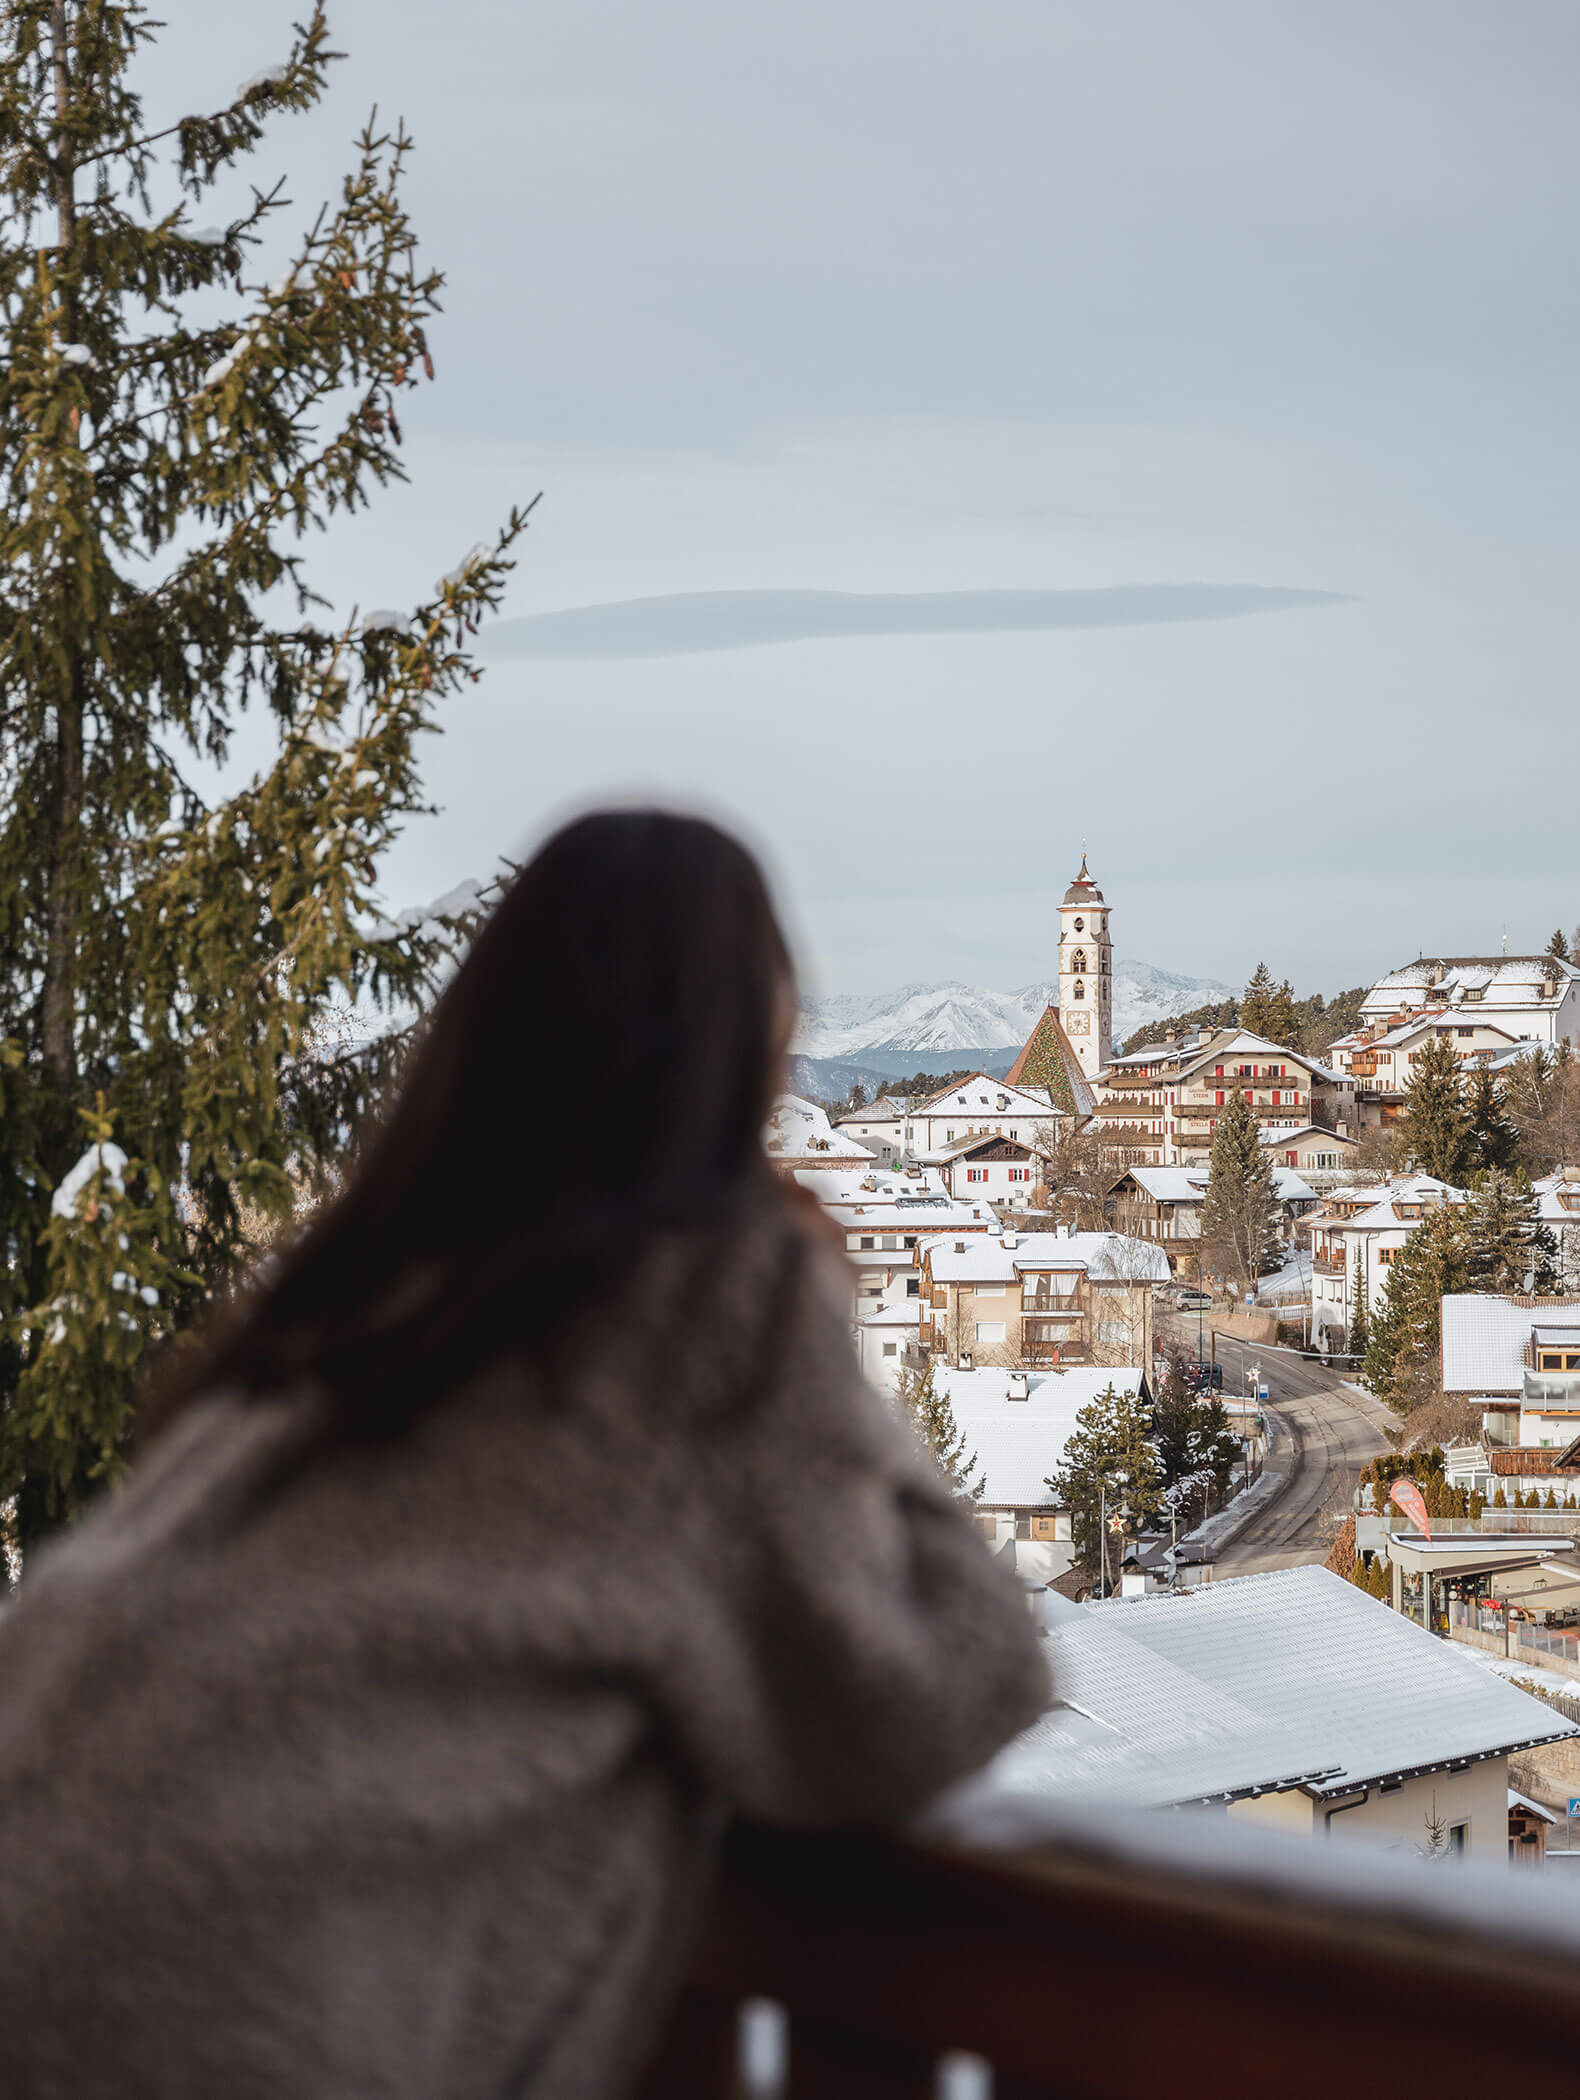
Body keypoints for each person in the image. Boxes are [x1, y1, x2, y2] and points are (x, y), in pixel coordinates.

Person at [0, 811, 1049, 2100]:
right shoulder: (694, 1314)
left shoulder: (348, 1303)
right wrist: (805, 1309)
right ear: (751, 1047)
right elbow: (947, 1686)